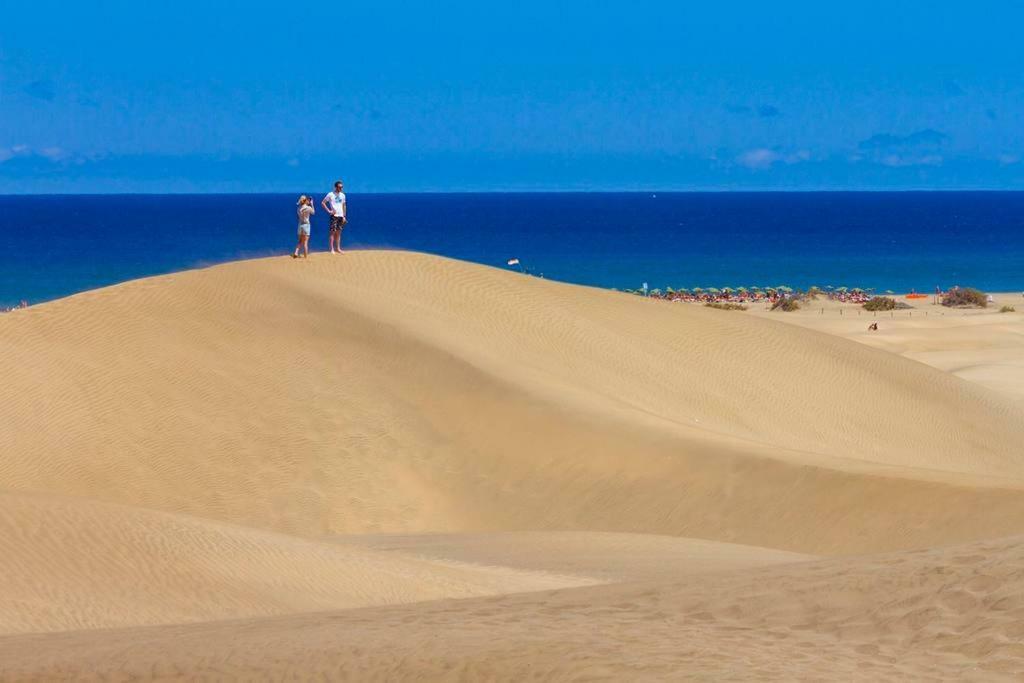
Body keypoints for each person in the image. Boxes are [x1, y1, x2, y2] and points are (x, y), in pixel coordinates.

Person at [321, 180, 347, 253]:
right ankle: (332, 249)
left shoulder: (343, 195)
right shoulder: (330, 194)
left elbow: (344, 205)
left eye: (342, 187)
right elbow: (323, 203)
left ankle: (338, 248)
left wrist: (344, 216)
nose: (341, 188)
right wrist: (329, 211)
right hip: (334, 216)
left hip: (341, 216)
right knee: (332, 232)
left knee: (339, 232)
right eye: (339, 187)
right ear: (336, 187)